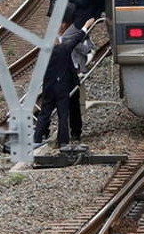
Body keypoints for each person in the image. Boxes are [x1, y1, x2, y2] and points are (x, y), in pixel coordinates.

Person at [33, 17, 96, 147]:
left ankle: (37, 139)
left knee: (44, 114)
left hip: (48, 88)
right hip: (62, 88)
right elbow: (76, 38)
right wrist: (86, 25)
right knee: (63, 115)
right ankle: (63, 142)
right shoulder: (63, 49)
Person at [67, 0, 105, 71]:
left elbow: (83, 3)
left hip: (84, 19)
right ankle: (81, 68)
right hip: (84, 16)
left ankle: (88, 50)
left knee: (67, 39)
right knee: (72, 45)